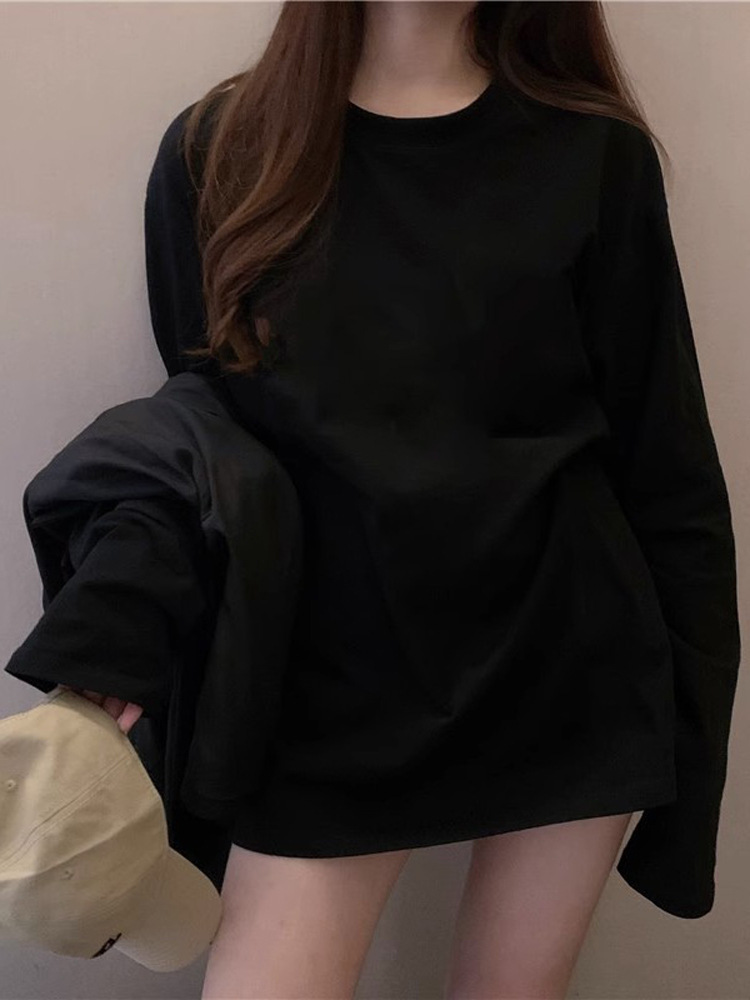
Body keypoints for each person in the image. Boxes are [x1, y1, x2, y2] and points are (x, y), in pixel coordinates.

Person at [72, 2, 741, 997]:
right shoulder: (218, 156)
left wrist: (693, 761)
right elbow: (200, 457)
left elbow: (668, 471)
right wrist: (117, 628)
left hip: (566, 672)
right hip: (326, 699)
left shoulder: (594, 154)